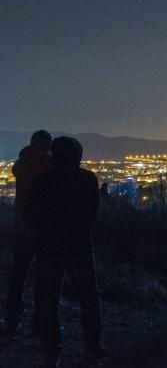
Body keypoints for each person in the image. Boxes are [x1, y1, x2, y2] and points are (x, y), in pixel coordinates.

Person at [24, 136, 105, 366]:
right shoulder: (86, 179)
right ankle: (92, 345)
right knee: (89, 297)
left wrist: (41, 233)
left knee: (49, 301)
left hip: (48, 248)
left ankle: (51, 350)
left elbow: (29, 213)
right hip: (78, 246)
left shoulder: (41, 181)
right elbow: (92, 212)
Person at [4, 130, 51, 336]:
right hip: (41, 229)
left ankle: (13, 320)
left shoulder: (21, 166)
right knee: (43, 277)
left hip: (21, 226)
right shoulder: (46, 169)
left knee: (18, 276)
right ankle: (39, 323)